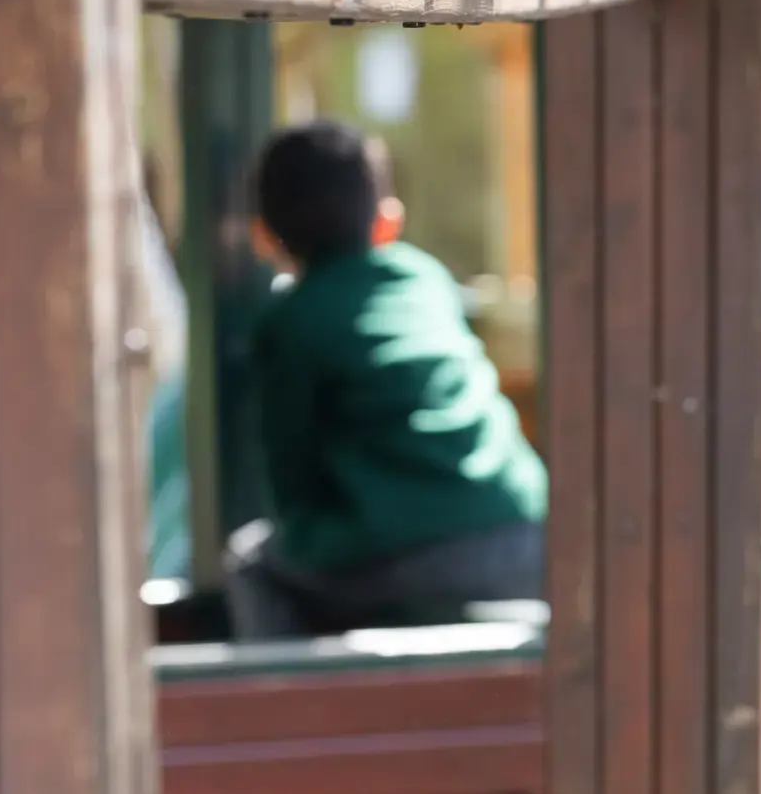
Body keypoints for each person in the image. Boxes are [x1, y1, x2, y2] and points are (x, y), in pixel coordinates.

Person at [224, 120, 548, 640]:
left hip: (408, 551)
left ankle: (286, 689)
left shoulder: (290, 323)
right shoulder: (425, 278)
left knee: (252, 564)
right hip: (523, 528)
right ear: (388, 221)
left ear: (262, 236)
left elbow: (291, 489)